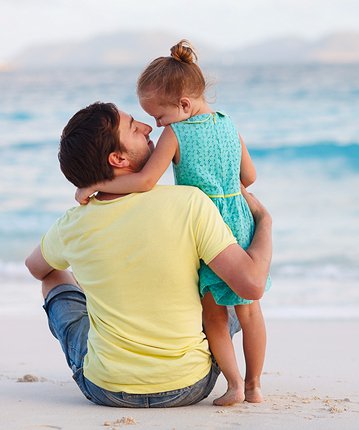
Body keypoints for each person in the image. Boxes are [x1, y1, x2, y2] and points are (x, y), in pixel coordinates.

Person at [24, 102, 272, 408]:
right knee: (227, 294)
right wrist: (265, 222)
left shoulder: (74, 223)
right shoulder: (190, 203)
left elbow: (36, 268)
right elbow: (253, 285)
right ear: (118, 158)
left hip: (107, 389)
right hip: (191, 384)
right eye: (133, 127)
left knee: (54, 278)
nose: (147, 127)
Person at [75, 40, 270, 406]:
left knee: (213, 314)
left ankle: (235, 385)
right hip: (239, 218)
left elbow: (146, 181)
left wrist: (99, 183)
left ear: (183, 105)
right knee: (249, 311)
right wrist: (229, 189)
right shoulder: (229, 124)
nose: (155, 124)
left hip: (206, 223)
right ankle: (257, 385)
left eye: (159, 117)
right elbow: (250, 176)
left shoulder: (176, 133)